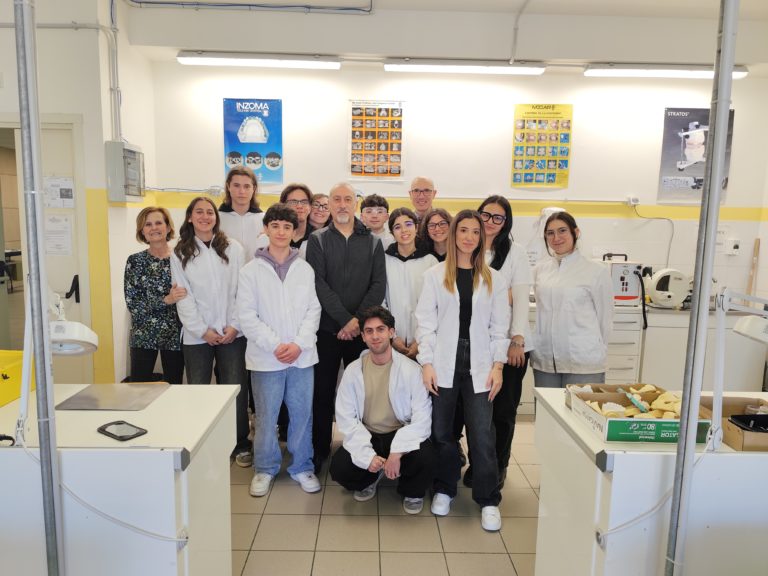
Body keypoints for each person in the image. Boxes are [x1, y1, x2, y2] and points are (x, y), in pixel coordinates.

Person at [415, 210, 510, 532]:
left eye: (475, 232)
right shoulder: (434, 275)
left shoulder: (495, 278)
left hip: (481, 363)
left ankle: (488, 499)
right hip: (444, 360)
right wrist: (427, 363)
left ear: (482, 238)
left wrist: (498, 366)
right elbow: (425, 323)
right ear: (454, 234)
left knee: (482, 435)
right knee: (442, 432)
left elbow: (500, 327)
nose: (469, 237)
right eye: (463, 230)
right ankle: (444, 488)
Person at [237, 204, 322, 497]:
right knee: (266, 417)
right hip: (266, 358)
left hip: (302, 357)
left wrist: (298, 344)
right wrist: (276, 346)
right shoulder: (250, 271)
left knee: (302, 415)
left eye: (287, 227)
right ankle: (265, 468)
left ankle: (302, 466)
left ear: (294, 231)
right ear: (266, 229)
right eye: (275, 226)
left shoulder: (304, 268)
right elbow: (247, 316)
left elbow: (313, 309)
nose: (281, 232)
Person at [306, 182, 387, 472]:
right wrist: (344, 320)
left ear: (355, 204)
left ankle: (364, 453)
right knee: (323, 392)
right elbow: (318, 283)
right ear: (329, 203)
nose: (342, 204)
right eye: (336, 199)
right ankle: (319, 450)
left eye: (347, 199)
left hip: (361, 334)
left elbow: (378, 284)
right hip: (327, 330)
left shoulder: (373, 241)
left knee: (363, 394)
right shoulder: (317, 239)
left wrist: (357, 322)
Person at [330, 306, 435, 514]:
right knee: (340, 468)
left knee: (427, 458)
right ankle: (372, 475)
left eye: (381, 329)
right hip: (369, 435)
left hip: (400, 433)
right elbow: (346, 418)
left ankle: (411, 490)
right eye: (369, 331)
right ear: (363, 336)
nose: (375, 336)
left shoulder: (412, 370)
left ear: (391, 332)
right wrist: (367, 456)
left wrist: (397, 452)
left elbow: (422, 419)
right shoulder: (353, 371)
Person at [171, 197, 250, 463]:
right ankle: (201, 442)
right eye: (199, 212)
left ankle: (240, 443)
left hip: (232, 333)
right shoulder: (180, 252)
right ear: (190, 217)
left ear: (216, 217)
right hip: (197, 336)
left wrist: (235, 325)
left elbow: (243, 290)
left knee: (235, 389)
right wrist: (201, 330)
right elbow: (183, 295)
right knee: (199, 390)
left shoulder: (233, 248)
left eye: (209, 212)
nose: (205, 217)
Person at [463, 196, 532, 489]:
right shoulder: (469, 248)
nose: (490, 222)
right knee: (478, 413)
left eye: (498, 217)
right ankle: (480, 464)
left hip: (510, 345)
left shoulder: (515, 253)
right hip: (477, 347)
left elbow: (521, 299)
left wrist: (516, 339)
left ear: (506, 222)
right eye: (486, 215)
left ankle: (499, 465)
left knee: (503, 412)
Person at [532, 211, 613, 387]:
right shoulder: (540, 270)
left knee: (581, 405)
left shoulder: (596, 271)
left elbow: (605, 320)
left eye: (562, 231)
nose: (556, 238)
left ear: (575, 232)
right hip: (546, 360)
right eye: (550, 233)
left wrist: (595, 349)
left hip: (583, 361)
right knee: (546, 406)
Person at [124, 206, 185, 384]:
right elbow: (133, 304)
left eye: (158, 223)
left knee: (174, 387)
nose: (154, 228)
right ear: (142, 231)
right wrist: (166, 300)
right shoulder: (135, 261)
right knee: (139, 389)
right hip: (143, 336)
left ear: (168, 227)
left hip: (175, 334)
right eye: (148, 224)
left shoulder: (180, 258)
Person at [384, 207, 437, 360]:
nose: (404, 230)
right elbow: (381, 300)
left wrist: (419, 339)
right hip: (393, 338)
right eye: (397, 227)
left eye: (408, 224)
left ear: (416, 227)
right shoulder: (384, 261)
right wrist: (392, 336)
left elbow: (435, 305)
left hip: (424, 340)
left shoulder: (430, 262)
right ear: (392, 233)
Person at [255, 183, 315, 258]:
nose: (299, 206)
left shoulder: (316, 238)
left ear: (310, 206)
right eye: (293, 202)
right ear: (282, 205)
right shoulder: (267, 238)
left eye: (304, 202)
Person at [218, 166, 264, 262]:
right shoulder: (216, 219)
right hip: (225, 270)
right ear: (228, 186)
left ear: (254, 188)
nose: (242, 191)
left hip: (256, 271)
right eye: (236, 185)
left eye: (247, 186)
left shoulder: (265, 220)